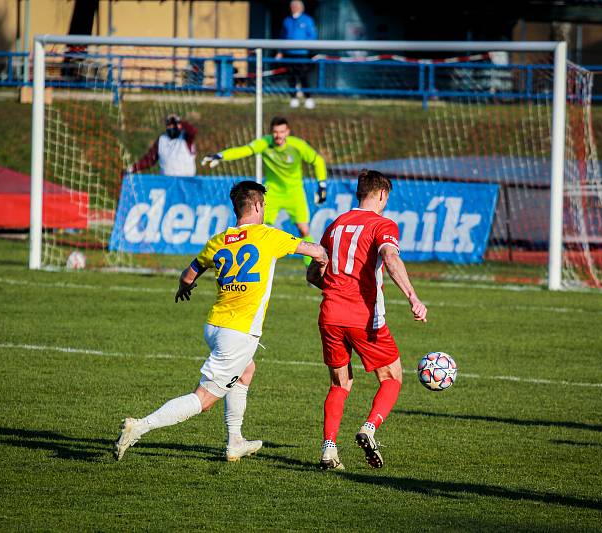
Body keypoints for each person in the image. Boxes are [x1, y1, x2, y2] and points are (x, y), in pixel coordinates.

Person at [114, 180, 328, 462]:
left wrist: (184, 288)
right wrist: (323, 266)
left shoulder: (219, 240)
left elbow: (188, 274)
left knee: (247, 370)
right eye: (264, 204)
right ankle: (139, 427)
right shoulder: (268, 236)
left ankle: (235, 441)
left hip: (214, 324)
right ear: (257, 205)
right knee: (203, 400)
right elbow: (317, 251)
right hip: (238, 332)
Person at [306, 169, 427, 470]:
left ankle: (328, 449)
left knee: (339, 384)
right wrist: (413, 296)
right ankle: (369, 428)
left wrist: (335, 288)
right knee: (392, 377)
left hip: (329, 314)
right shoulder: (382, 224)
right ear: (383, 195)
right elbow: (390, 257)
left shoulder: (335, 224)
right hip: (363, 317)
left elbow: (313, 272)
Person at [201, 116, 327, 266]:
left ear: (288, 132)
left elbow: (318, 161)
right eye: (275, 132)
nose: (278, 135)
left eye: (281, 132)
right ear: (271, 132)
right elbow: (245, 150)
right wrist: (222, 155)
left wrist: (322, 185)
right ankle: (256, 264)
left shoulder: (297, 145)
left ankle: (311, 269)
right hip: (271, 191)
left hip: (294, 192)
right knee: (260, 229)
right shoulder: (265, 143)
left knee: (304, 230)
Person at [276, 0, 318, 109]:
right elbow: (282, 37)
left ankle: (308, 98)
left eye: (296, 6)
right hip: (289, 54)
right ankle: (293, 98)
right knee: (291, 77)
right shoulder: (287, 21)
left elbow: (312, 36)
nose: (294, 7)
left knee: (303, 76)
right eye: (292, 6)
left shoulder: (307, 20)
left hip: (302, 54)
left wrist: (310, 51)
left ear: (301, 7)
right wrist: (280, 51)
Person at [126, 114, 197, 177]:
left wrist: (180, 121)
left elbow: (193, 131)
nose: (171, 127)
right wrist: (133, 168)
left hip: (186, 183)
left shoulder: (186, 138)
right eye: (169, 125)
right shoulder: (162, 140)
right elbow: (149, 159)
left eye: (173, 124)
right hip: (167, 183)